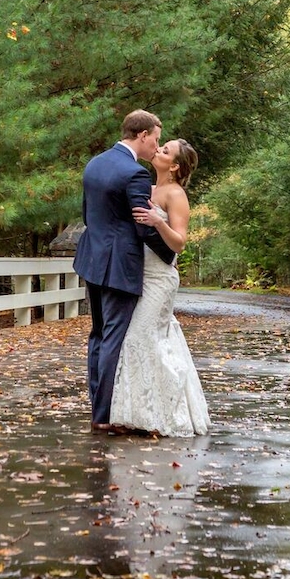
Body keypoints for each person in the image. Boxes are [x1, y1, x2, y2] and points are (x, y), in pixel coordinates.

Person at [73, 110, 176, 433]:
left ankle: (97, 405)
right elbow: (143, 227)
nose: (155, 147)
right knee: (115, 338)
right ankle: (103, 416)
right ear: (142, 134)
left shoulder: (95, 163)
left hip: (92, 259)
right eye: (155, 140)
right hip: (120, 265)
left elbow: (89, 214)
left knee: (99, 335)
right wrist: (169, 254)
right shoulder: (135, 174)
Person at [109, 138, 210, 437]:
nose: (159, 150)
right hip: (136, 274)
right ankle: (137, 412)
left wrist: (157, 221)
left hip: (160, 278)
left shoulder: (176, 194)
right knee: (146, 338)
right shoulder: (148, 188)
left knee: (141, 336)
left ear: (175, 165)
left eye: (166, 151)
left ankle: (160, 415)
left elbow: (179, 242)